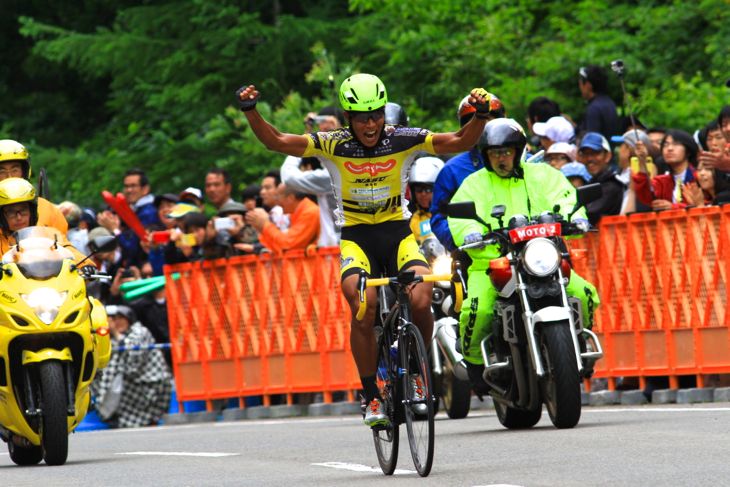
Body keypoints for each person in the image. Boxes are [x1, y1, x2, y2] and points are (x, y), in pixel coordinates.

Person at [236, 73, 491, 427]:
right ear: (347, 118)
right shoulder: (332, 143)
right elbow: (276, 140)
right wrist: (251, 110)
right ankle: (371, 394)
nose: (370, 124)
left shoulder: (403, 138)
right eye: (361, 117)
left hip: (398, 235)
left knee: (421, 298)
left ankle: (417, 371)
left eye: (376, 115)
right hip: (356, 239)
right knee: (364, 306)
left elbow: (461, 141)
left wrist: (478, 116)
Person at [447, 118, 599, 393]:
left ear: (518, 152)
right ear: (486, 155)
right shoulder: (474, 183)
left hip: (542, 258)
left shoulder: (543, 175)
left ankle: (579, 341)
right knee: (477, 310)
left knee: (584, 291)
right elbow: (460, 215)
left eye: (506, 152)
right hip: (492, 263)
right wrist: (470, 232)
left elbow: (566, 198)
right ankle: (475, 365)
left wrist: (577, 218)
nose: (501, 158)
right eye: (495, 153)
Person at [430, 91, 505, 252]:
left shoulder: (525, 159)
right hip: (476, 250)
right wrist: (461, 240)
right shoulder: (452, 170)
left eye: (488, 121)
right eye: (476, 123)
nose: (482, 128)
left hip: (524, 246)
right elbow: (440, 217)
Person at [91, 304, 172, 428]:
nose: (116, 322)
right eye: (112, 319)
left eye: (119, 318)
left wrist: (115, 333)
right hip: (130, 382)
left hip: (149, 382)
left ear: (129, 318)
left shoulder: (139, 331)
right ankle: (109, 414)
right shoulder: (109, 338)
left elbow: (133, 360)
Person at [0, 178, 88, 264]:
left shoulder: (46, 235)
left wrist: (85, 265)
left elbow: (66, 247)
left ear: (32, 212)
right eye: (11, 212)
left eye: (23, 210)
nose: (19, 217)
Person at [0, 139, 68, 235]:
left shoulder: (47, 208)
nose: (9, 176)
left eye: (15, 170)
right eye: (1, 172)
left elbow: (63, 245)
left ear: (25, 171)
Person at [245, 183, 320, 255]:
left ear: (290, 198)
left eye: (278, 197)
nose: (276, 202)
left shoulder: (309, 212)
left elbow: (288, 245)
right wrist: (261, 228)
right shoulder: (295, 213)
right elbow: (279, 248)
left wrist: (265, 224)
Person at [633, 129, 697, 211]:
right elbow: (645, 196)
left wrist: (673, 207)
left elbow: (706, 204)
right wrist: (642, 161)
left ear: (688, 151)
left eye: (676, 144)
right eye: (665, 145)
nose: (669, 148)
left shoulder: (698, 177)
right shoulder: (661, 181)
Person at [578, 132, 625, 225]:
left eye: (595, 153)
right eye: (585, 154)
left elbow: (591, 213)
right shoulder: (591, 183)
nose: (589, 159)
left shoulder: (612, 184)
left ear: (608, 156)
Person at [578, 65, 620, 140]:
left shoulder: (594, 108)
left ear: (588, 85)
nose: (580, 88)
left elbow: (592, 140)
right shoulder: (610, 103)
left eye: (581, 84)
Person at [408, 156, 444, 244]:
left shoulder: (450, 215)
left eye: (428, 189)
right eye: (419, 190)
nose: (423, 194)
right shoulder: (412, 220)